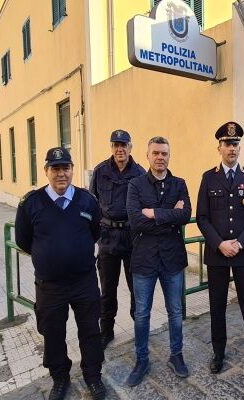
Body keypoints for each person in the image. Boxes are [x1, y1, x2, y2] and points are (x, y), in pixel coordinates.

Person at [15, 147, 106, 400]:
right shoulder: (31, 204)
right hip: (50, 286)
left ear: (72, 170)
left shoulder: (88, 200)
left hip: (84, 282)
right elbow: (23, 240)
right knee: (53, 334)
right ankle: (60, 378)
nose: (61, 174)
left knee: (90, 330)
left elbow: (95, 233)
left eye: (66, 168)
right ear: (46, 171)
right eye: (55, 168)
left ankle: (93, 377)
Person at [196, 121, 244, 373]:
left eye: (236, 144)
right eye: (227, 144)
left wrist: (239, 243)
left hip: (241, 253)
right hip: (217, 254)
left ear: (240, 147)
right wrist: (219, 243)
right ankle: (218, 353)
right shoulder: (208, 178)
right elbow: (202, 217)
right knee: (217, 306)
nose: (232, 148)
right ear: (219, 147)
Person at [125, 136, 192, 386]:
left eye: (164, 153)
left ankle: (176, 355)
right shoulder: (136, 185)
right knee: (142, 313)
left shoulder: (179, 183)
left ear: (169, 156)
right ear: (148, 155)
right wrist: (169, 215)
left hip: (172, 259)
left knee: (175, 311)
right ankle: (142, 359)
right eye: (156, 153)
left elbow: (185, 215)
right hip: (144, 259)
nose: (160, 157)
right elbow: (135, 220)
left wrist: (153, 213)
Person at [89, 129, 145, 348]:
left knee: (136, 288)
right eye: (116, 145)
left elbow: (145, 204)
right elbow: (92, 203)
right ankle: (106, 331)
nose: (120, 149)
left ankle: (138, 328)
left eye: (124, 145)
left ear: (130, 147)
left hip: (132, 238)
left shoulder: (140, 173)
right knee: (107, 290)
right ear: (111, 148)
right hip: (108, 238)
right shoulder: (100, 171)